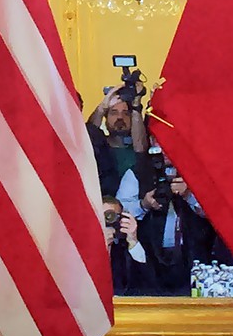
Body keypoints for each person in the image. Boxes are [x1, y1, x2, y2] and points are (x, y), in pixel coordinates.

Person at [116, 135, 216, 295]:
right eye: (159, 140)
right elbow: (119, 212)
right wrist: (144, 205)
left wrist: (189, 195)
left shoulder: (198, 173)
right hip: (147, 259)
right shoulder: (137, 173)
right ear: (151, 141)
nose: (166, 147)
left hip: (193, 257)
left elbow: (216, 213)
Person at [88, 86, 146, 196]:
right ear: (105, 117)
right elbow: (90, 133)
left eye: (126, 113)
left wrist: (136, 105)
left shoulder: (139, 149)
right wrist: (102, 107)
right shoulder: (99, 147)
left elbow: (141, 148)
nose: (120, 117)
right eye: (113, 112)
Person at [103, 195, 155, 296]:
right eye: (104, 216)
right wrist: (101, 245)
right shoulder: (81, 249)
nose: (108, 221)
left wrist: (133, 240)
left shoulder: (125, 249)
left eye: (113, 216)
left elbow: (147, 283)